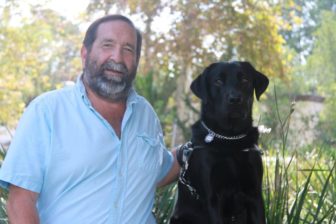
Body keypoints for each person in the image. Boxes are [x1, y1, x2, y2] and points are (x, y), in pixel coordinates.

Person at [0, 14, 180, 224]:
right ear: (85, 54)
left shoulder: (146, 115)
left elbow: (160, 170)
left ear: (137, 61)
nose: (117, 57)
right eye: (107, 45)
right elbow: (21, 201)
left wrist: (205, 143)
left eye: (128, 49)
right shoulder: (47, 111)